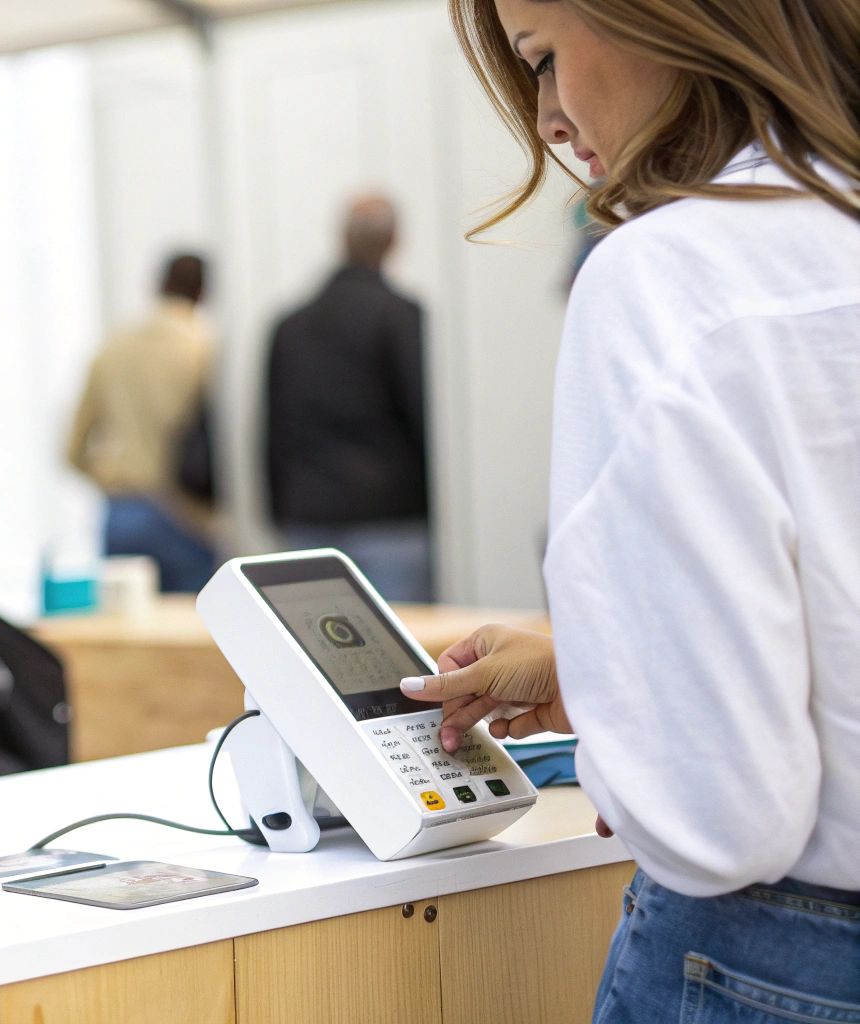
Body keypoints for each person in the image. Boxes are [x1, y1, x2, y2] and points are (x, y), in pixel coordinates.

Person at [399, 0, 860, 1019]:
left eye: (542, 56)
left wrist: (626, 738)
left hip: (775, 965)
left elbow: (716, 817)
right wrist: (592, 670)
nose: (548, 118)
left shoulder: (668, 273)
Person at [264, 195, 432, 602]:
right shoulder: (402, 316)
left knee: (315, 657)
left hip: (309, 514)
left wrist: (279, 509)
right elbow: (421, 418)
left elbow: (273, 429)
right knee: (400, 657)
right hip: (391, 514)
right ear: (394, 241)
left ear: (341, 238)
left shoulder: (291, 324)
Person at [66, 253, 218, 593]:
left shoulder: (112, 348)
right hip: (185, 514)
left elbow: (72, 448)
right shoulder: (204, 348)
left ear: (158, 285)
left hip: (123, 510)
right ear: (203, 292)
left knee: (128, 636)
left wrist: (111, 479)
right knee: (192, 634)